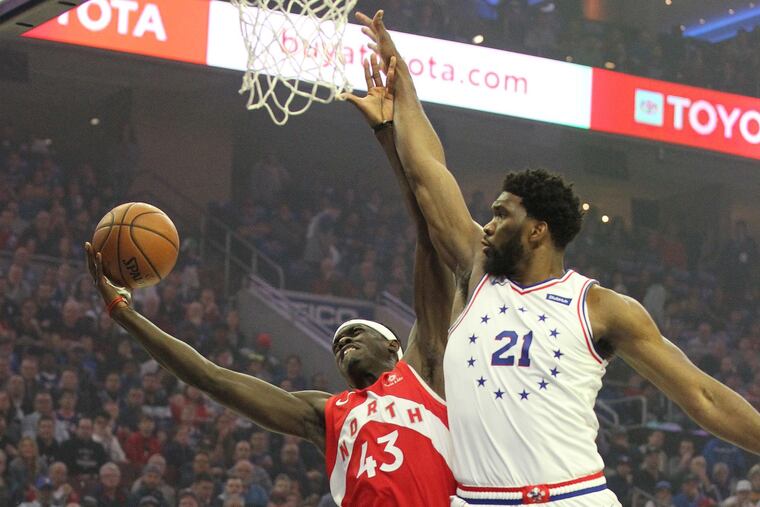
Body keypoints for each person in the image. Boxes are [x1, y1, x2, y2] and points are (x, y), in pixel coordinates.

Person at [356, 9, 760, 506]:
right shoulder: (475, 272)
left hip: (571, 497)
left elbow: (703, 396)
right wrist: (404, 89)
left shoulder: (601, 308)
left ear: (537, 230)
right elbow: (426, 172)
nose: (487, 224)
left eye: (502, 215)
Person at [82, 76, 456, 504]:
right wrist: (124, 313)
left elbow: (430, 232)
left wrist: (390, 136)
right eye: (337, 342)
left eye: (354, 332)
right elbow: (212, 378)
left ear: (393, 343)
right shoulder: (326, 414)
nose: (342, 342)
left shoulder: (424, 369)